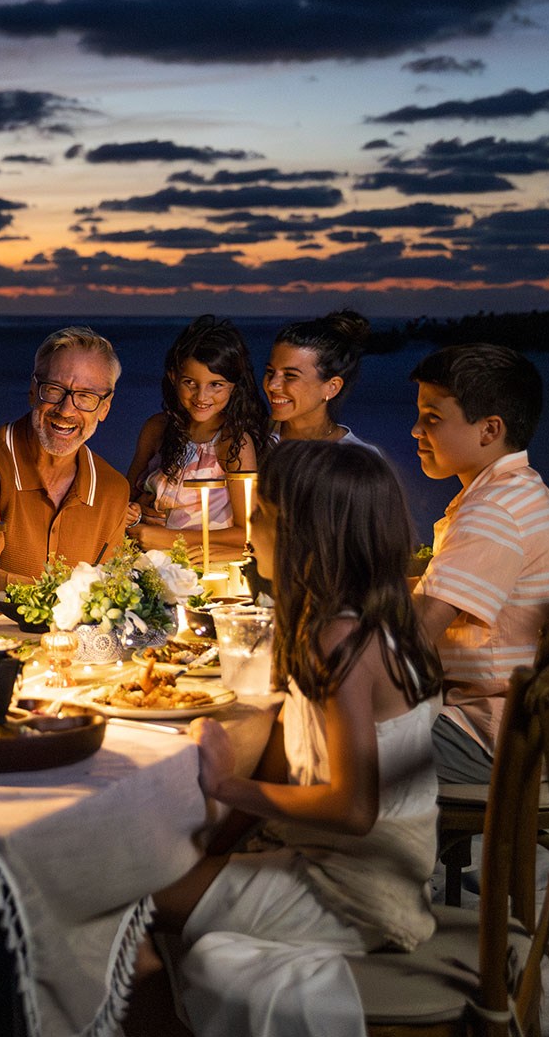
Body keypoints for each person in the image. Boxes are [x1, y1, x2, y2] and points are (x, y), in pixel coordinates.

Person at [150, 439, 444, 1037]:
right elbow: (289, 757)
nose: (249, 528)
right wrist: (222, 841)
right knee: (173, 878)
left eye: (260, 515)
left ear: (307, 536)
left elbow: (353, 808)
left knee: (131, 900)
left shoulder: (338, 640)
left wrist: (225, 784)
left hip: (356, 894)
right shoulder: (382, 618)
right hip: (393, 872)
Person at [409, 343, 549, 785]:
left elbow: (411, 641)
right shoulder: (521, 491)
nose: (415, 430)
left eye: (432, 418)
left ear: (490, 429)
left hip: (508, 738)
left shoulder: (493, 512)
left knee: (318, 734)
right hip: (547, 724)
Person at [0, 326, 131, 609]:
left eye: (86, 396)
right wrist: (73, 598)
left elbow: (109, 592)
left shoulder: (112, 488)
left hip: (65, 646)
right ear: (33, 391)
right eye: (54, 390)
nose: (66, 410)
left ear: (105, 407)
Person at [125, 315, 271, 558]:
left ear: (235, 385)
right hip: (146, 561)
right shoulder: (156, 428)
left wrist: (171, 539)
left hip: (207, 568)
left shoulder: (233, 443)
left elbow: (248, 531)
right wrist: (133, 513)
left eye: (216, 385)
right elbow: (125, 498)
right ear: (173, 377)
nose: (201, 396)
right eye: (190, 382)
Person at [264, 310, 377, 449]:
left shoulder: (356, 461)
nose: (272, 385)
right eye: (270, 372)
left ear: (332, 387)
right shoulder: (249, 444)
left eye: (290, 376)